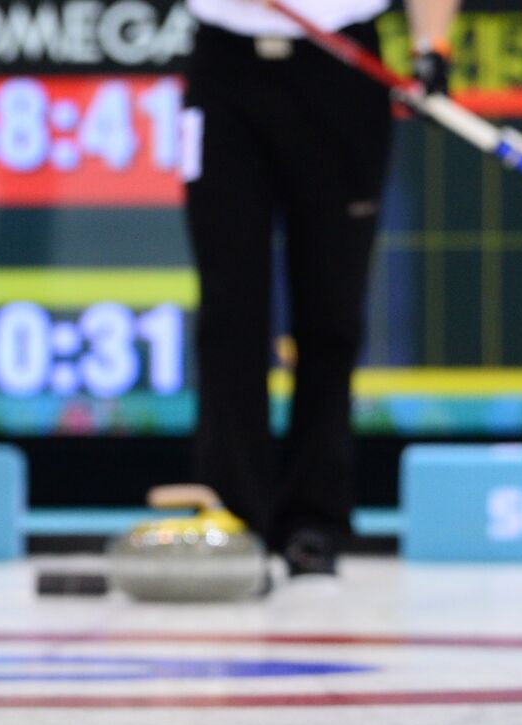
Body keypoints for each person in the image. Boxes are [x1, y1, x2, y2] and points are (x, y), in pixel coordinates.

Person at [181, 0, 458, 575]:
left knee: (331, 313)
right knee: (230, 311)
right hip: (225, 65)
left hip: (342, 62)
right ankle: (233, 517)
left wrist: (432, 49)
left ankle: (315, 522)